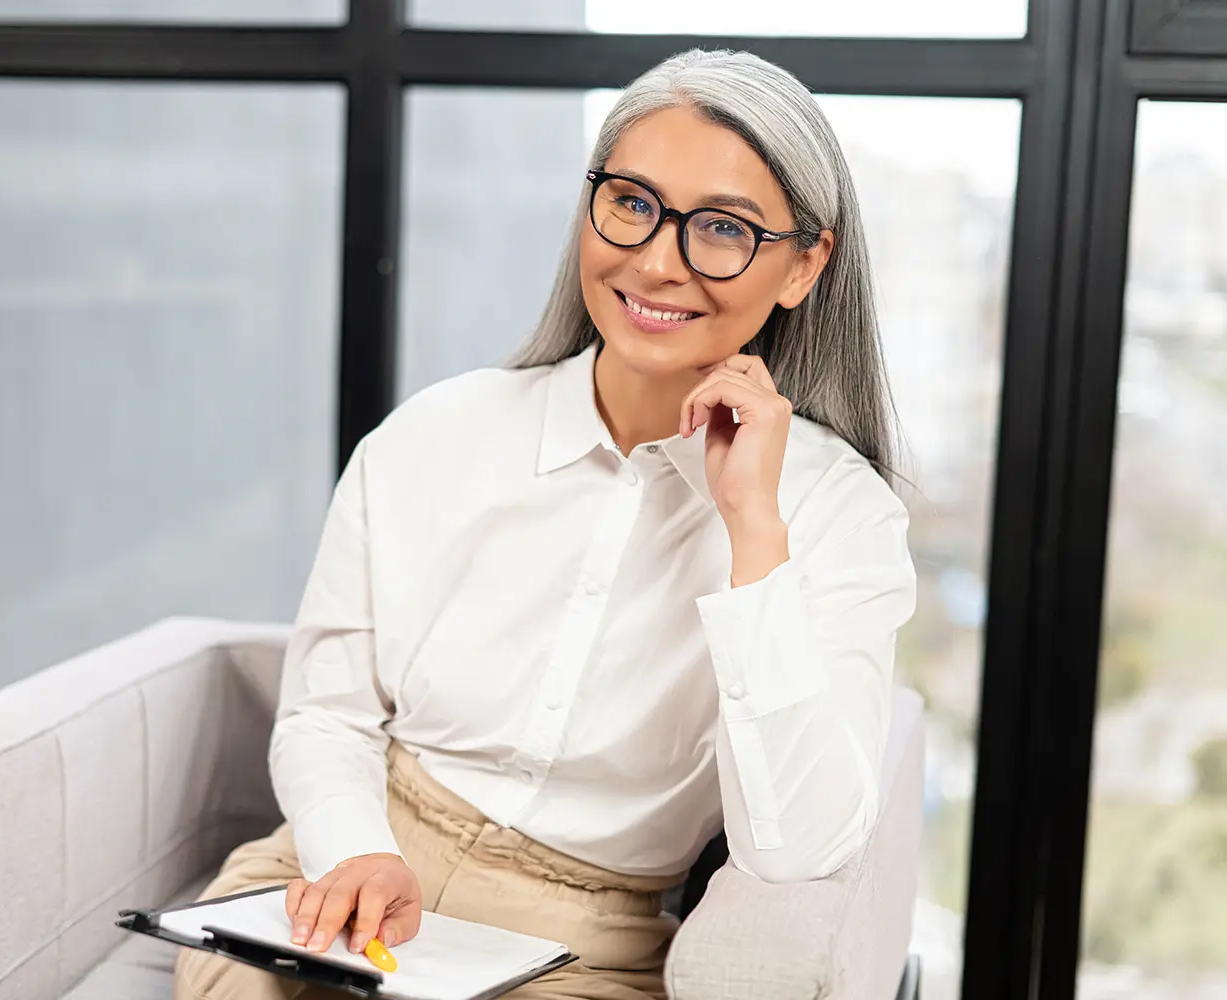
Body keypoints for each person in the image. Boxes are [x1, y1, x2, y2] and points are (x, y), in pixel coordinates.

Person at [175, 47, 917, 1000]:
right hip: (339, 877)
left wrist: (753, 532)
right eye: (633, 204)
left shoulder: (839, 514)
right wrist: (357, 853)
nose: (657, 261)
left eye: (723, 229)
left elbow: (800, 845)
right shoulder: (435, 435)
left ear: (804, 264)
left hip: (581, 945)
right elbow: (328, 712)